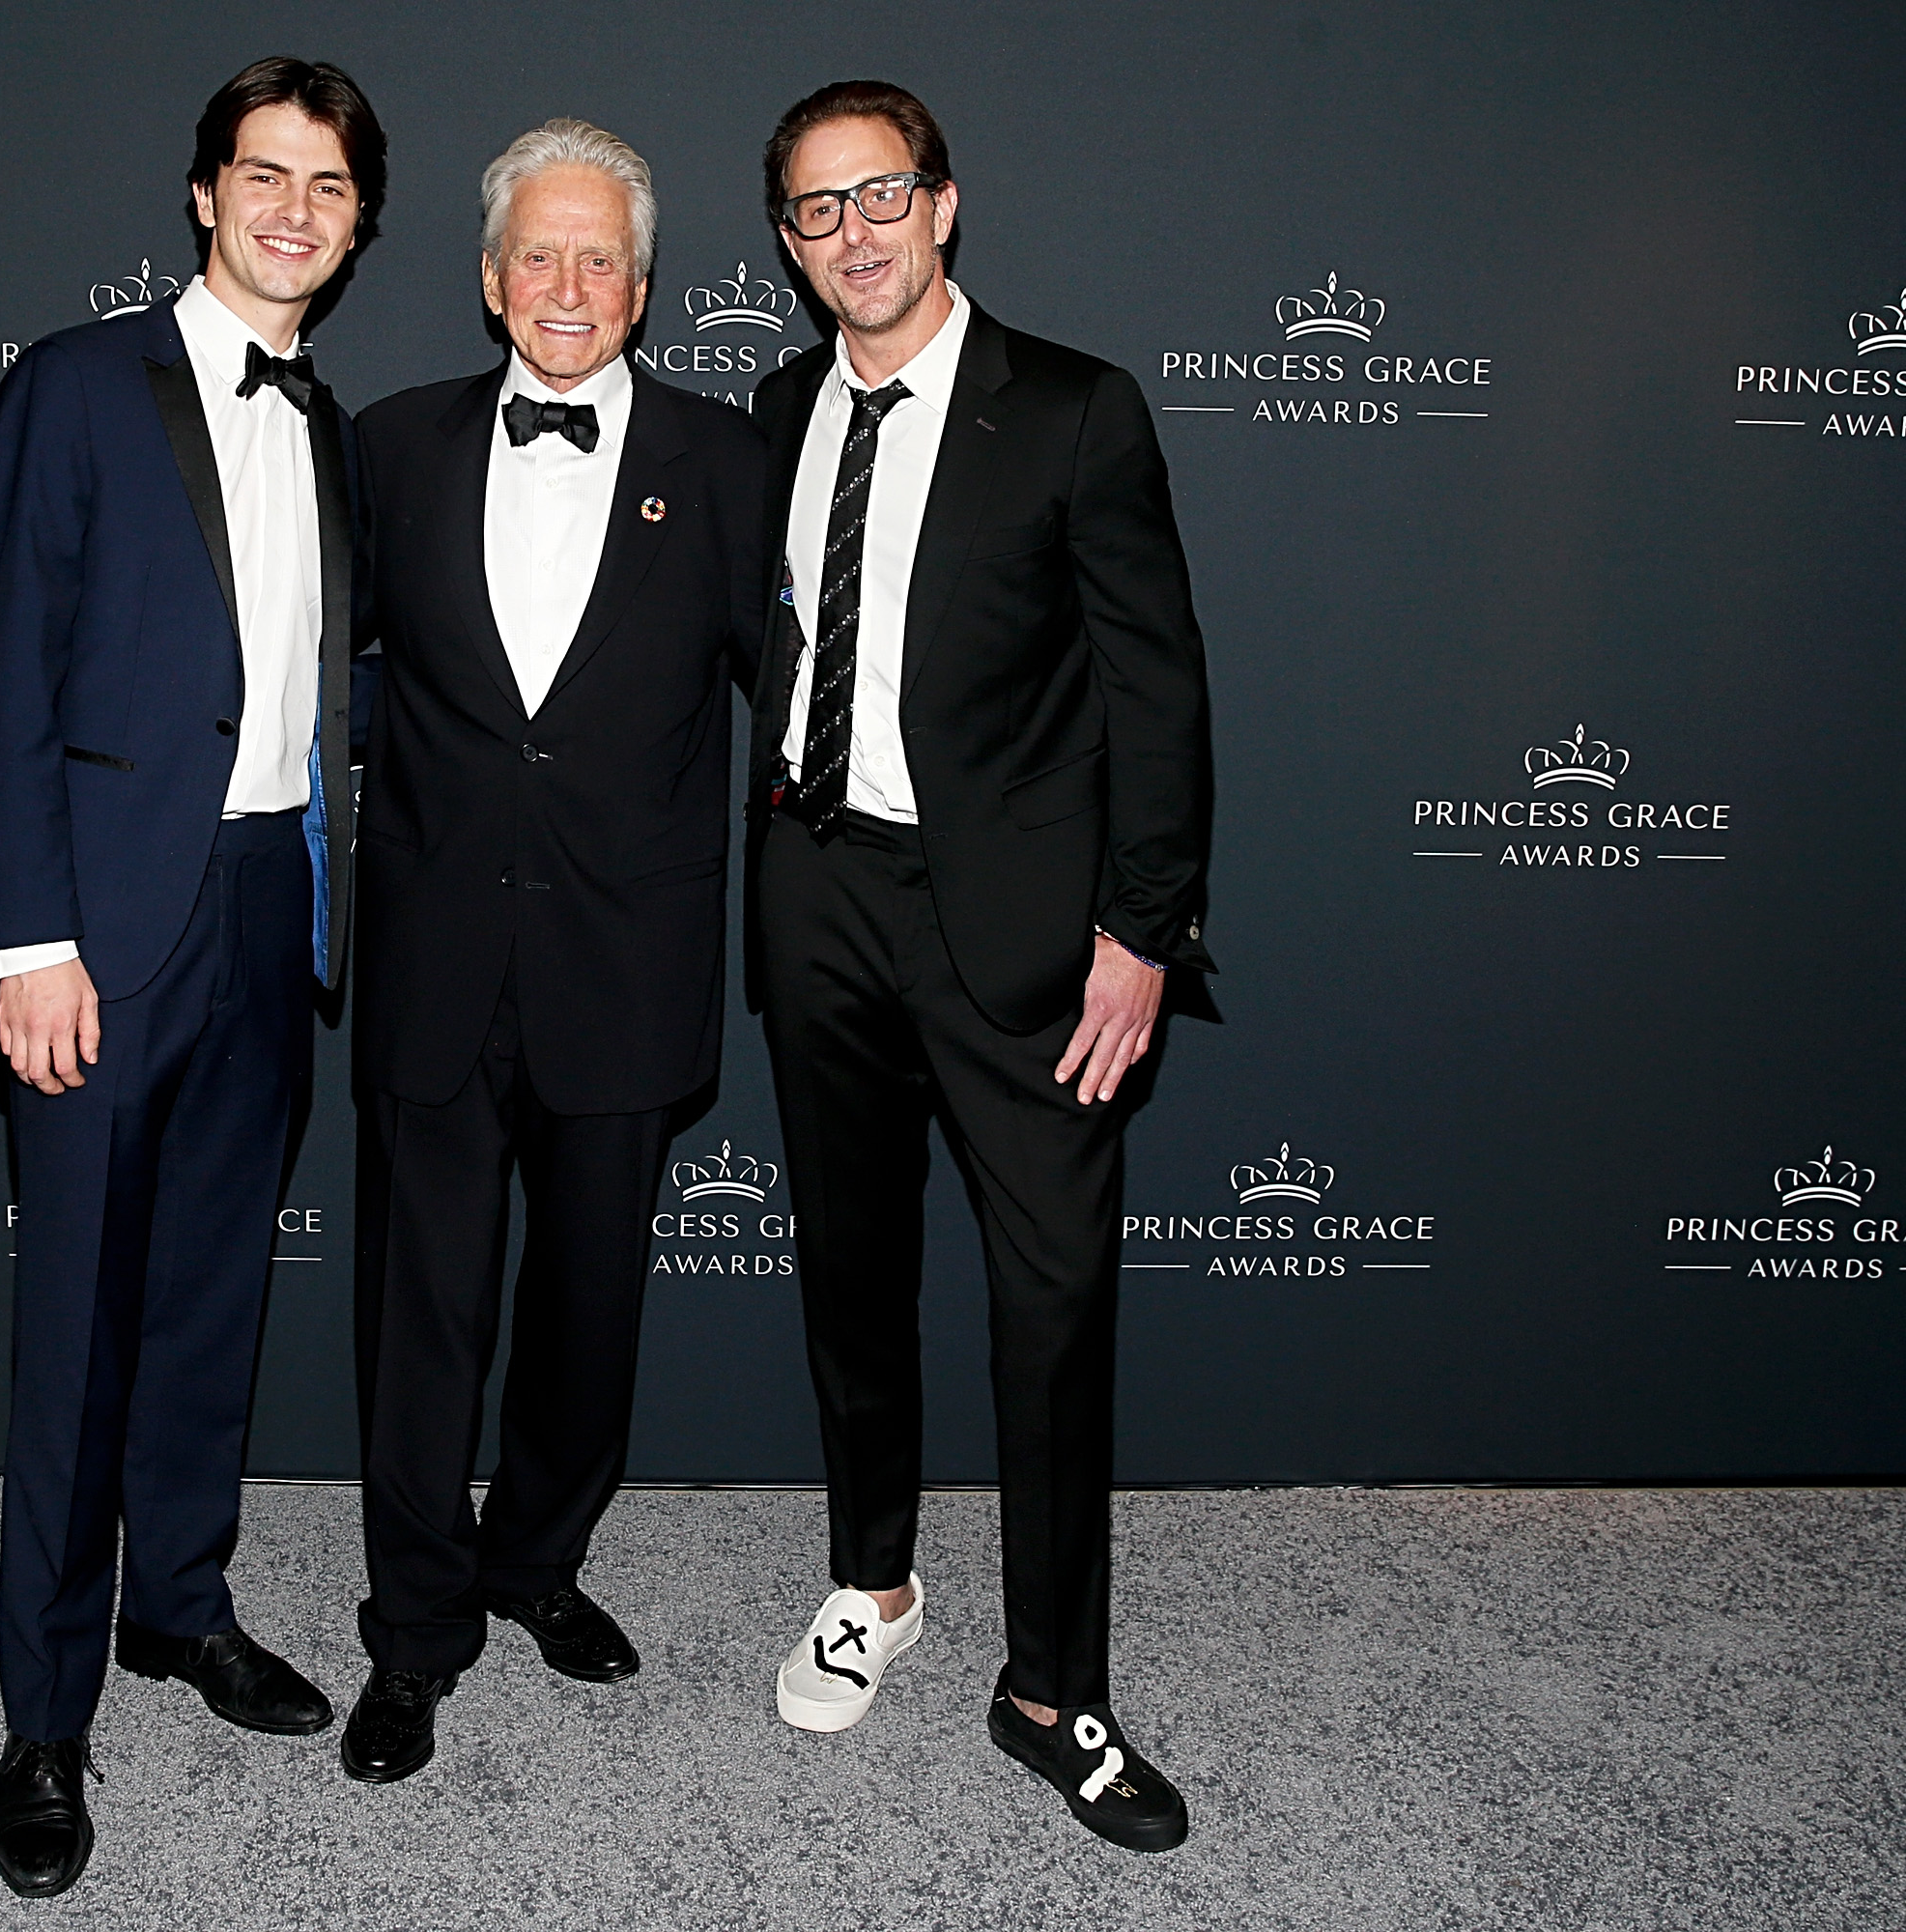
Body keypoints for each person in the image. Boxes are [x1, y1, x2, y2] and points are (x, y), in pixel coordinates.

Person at [745, 80, 1216, 1854]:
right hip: (813, 897)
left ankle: (1053, 1687)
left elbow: (1158, 694)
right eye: (813, 212)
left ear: (944, 206)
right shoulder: (780, 405)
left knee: (1051, 1308)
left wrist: (1142, 932)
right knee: (851, 1275)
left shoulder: (1076, 411)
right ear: (786, 245)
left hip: (1019, 931)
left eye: (880, 198)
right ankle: (873, 1585)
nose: (851, 235)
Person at [0, 55, 379, 1898]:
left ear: (360, 223)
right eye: (263, 173)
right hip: (105, 923)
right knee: (80, 1333)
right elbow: (5, 678)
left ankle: (177, 1609)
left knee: (213, 1294)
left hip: (272, 905)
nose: (295, 207)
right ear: (204, 194)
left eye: (332, 185)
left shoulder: (333, 420)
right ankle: (45, 1711)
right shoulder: (70, 384)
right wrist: (29, 938)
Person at [337, 118, 771, 1784]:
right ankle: (416, 1635)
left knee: (592, 1315)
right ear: (490, 278)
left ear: (645, 287)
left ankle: (536, 1562)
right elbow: (317, 674)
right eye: (540, 253)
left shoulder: (727, 465)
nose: (569, 284)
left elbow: (802, 702)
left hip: (626, 965)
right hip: (437, 959)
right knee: (419, 1320)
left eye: (601, 257)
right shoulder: (391, 446)